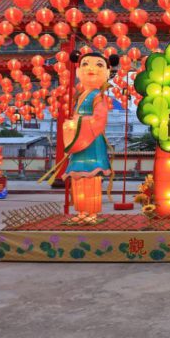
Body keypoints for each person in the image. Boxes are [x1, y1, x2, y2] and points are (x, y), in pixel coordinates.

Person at [45, 52, 119, 224]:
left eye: (99, 65)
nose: (91, 68)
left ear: (107, 72)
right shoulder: (80, 96)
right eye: (85, 64)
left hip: (91, 140)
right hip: (79, 142)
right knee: (78, 177)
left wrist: (78, 123)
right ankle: (81, 211)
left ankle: (92, 212)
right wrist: (72, 125)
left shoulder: (98, 96)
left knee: (91, 178)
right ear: (78, 71)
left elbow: (100, 119)